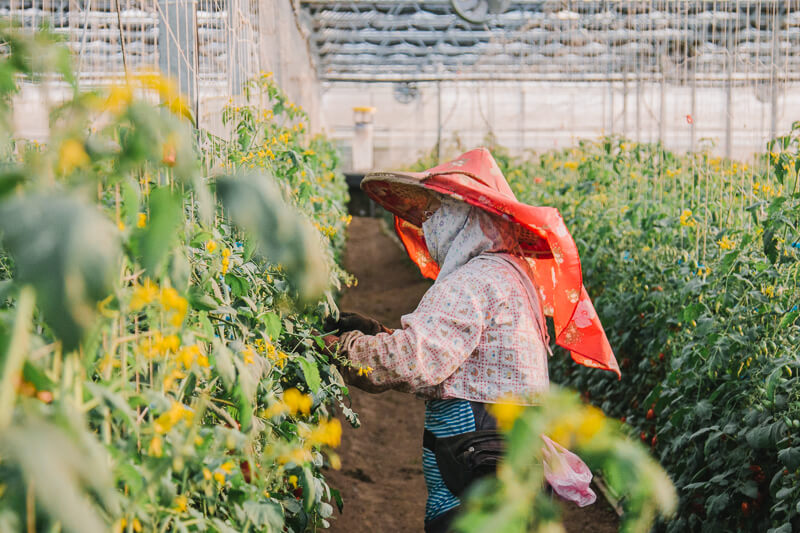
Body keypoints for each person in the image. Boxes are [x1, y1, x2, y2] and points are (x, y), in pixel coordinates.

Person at [325, 148, 619, 533]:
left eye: (438, 212)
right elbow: (463, 356)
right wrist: (379, 334)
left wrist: (335, 349)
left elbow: (412, 362)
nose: (430, 225)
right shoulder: (509, 275)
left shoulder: (472, 282)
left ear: (467, 217)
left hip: (478, 467)